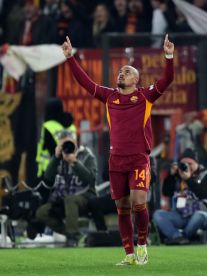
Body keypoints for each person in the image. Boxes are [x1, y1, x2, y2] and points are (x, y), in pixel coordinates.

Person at [61, 34, 174, 265]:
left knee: (138, 202)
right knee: (122, 208)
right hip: (116, 161)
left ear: (137, 79)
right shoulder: (109, 96)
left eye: (127, 71)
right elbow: (85, 83)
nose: (121, 73)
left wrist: (169, 56)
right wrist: (70, 58)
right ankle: (129, 254)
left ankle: (142, 244)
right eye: (120, 71)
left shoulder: (146, 96)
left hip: (139, 159)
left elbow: (167, 79)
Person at [35, 130, 97, 247]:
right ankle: (73, 235)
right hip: (62, 200)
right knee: (41, 212)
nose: (66, 147)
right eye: (63, 144)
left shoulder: (87, 156)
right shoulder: (59, 158)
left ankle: (72, 237)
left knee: (70, 199)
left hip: (85, 198)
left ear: (75, 142)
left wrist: (75, 162)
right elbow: (48, 178)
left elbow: (90, 179)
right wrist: (55, 158)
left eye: (69, 143)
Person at [153, 148, 207, 245]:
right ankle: (177, 237)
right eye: (184, 164)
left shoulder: (206, 175)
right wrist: (171, 175)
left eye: (190, 164)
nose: (187, 166)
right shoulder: (179, 176)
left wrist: (189, 179)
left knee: (198, 216)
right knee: (158, 214)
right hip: (182, 216)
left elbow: (206, 195)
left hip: (204, 214)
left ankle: (184, 237)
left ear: (196, 163)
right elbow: (166, 192)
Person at [36, 98, 76, 180]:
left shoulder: (48, 125)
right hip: (70, 169)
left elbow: (50, 148)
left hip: (50, 170)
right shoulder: (71, 126)